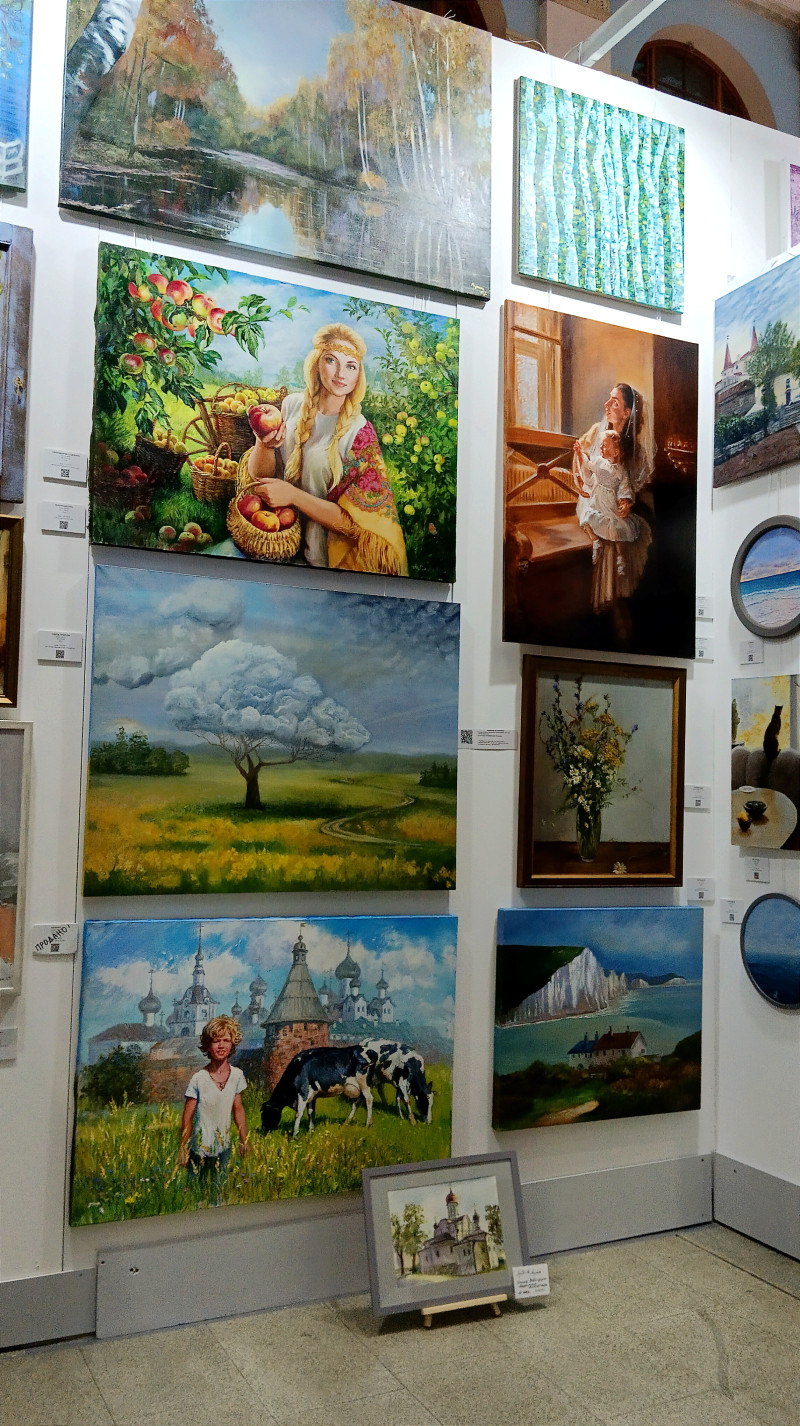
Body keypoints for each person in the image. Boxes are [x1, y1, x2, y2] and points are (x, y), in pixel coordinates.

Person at [245, 323, 408, 575]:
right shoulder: (291, 405)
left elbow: (354, 523)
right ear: (316, 363)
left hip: (320, 561)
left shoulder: (359, 433)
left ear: (359, 375)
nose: (341, 374)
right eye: (331, 360)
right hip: (274, 542)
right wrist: (263, 442)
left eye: (351, 366)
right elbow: (261, 477)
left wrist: (294, 496)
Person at [572, 383, 655, 631]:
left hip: (616, 504)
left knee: (633, 533)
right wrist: (583, 483)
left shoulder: (633, 447)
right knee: (606, 535)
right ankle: (612, 611)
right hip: (594, 498)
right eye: (608, 399)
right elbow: (582, 465)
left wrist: (625, 502)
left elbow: (629, 484)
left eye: (615, 402)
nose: (606, 405)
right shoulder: (596, 432)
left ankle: (625, 608)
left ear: (627, 413)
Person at [178, 1015, 247, 1190]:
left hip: (224, 1148)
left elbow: (238, 1109)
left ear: (232, 1044)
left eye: (226, 1040)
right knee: (196, 1191)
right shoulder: (198, 1078)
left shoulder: (237, 1075)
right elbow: (187, 1117)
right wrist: (183, 1148)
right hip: (199, 1149)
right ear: (208, 1046)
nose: (221, 1045)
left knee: (219, 1190)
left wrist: (244, 1140)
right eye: (216, 1041)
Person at [573, 427, 642, 560]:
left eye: (604, 445)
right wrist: (579, 453)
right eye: (601, 445)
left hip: (610, 505)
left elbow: (624, 489)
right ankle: (595, 541)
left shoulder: (621, 472)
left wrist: (624, 503)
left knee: (618, 528)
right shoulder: (599, 462)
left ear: (616, 452)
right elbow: (587, 466)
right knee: (586, 517)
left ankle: (621, 557)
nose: (601, 447)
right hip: (597, 501)